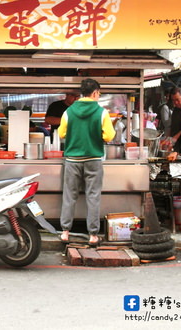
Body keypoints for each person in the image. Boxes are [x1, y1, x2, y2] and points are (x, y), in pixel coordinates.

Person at [58, 79, 115, 246]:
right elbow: (109, 136)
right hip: (93, 159)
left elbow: (62, 133)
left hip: (72, 160)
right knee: (93, 196)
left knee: (69, 195)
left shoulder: (69, 111)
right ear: (96, 93)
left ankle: (65, 232)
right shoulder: (102, 112)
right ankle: (92, 236)